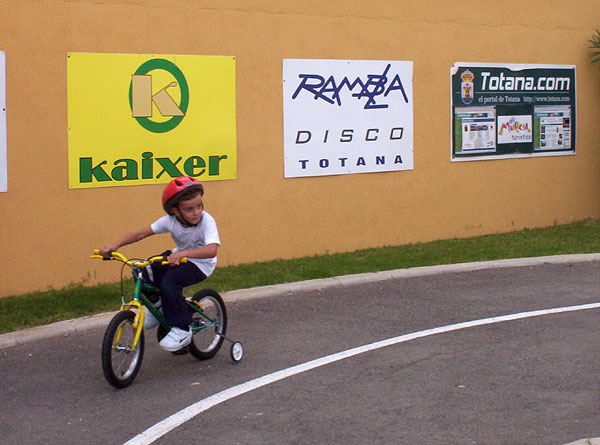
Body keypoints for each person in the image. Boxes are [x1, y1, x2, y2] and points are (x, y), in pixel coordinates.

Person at [100, 176, 220, 352]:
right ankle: (160, 308)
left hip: (202, 264)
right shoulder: (170, 221)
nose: (196, 212)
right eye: (189, 209)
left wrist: (183, 253)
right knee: (144, 271)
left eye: (199, 206)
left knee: (170, 282)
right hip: (179, 256)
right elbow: (141, 233)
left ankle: (181, 328)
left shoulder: (206, 221)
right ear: (175, 211)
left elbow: (212, 250)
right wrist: (115, 245)